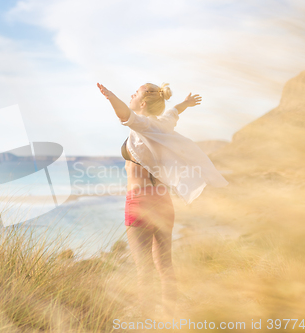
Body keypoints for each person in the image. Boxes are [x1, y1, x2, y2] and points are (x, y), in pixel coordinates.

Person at [97, 82, 228, 319]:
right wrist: (185, 104)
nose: (131, 95)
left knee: (144, 269)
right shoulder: (162, 125)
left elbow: (124, 114)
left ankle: (146, 321)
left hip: (140, 201)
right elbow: (173, 113)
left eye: (135, 93)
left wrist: (110, 96)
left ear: (143, 103)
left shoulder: (142, 124)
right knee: (165, 266)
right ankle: (170, 317)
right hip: (163, 201)